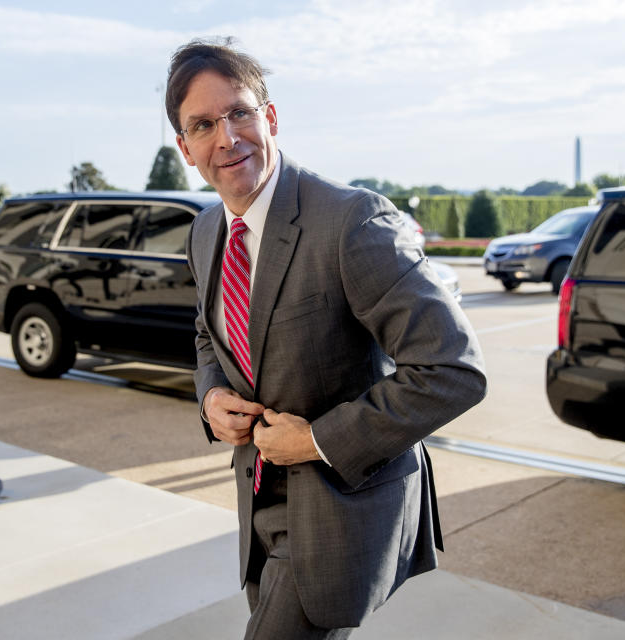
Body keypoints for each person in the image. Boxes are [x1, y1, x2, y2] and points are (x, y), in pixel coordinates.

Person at [166, 38, 487, 639]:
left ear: (272, 117)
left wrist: (316, 440)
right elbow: (210, 340)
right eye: (203, 124)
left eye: (239, 112)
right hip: (259, 508)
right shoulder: (206, 231)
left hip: (340, 510)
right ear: (186, 148)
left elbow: (453, 371)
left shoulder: (351, 221)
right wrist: (211, 401)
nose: (227, 137)